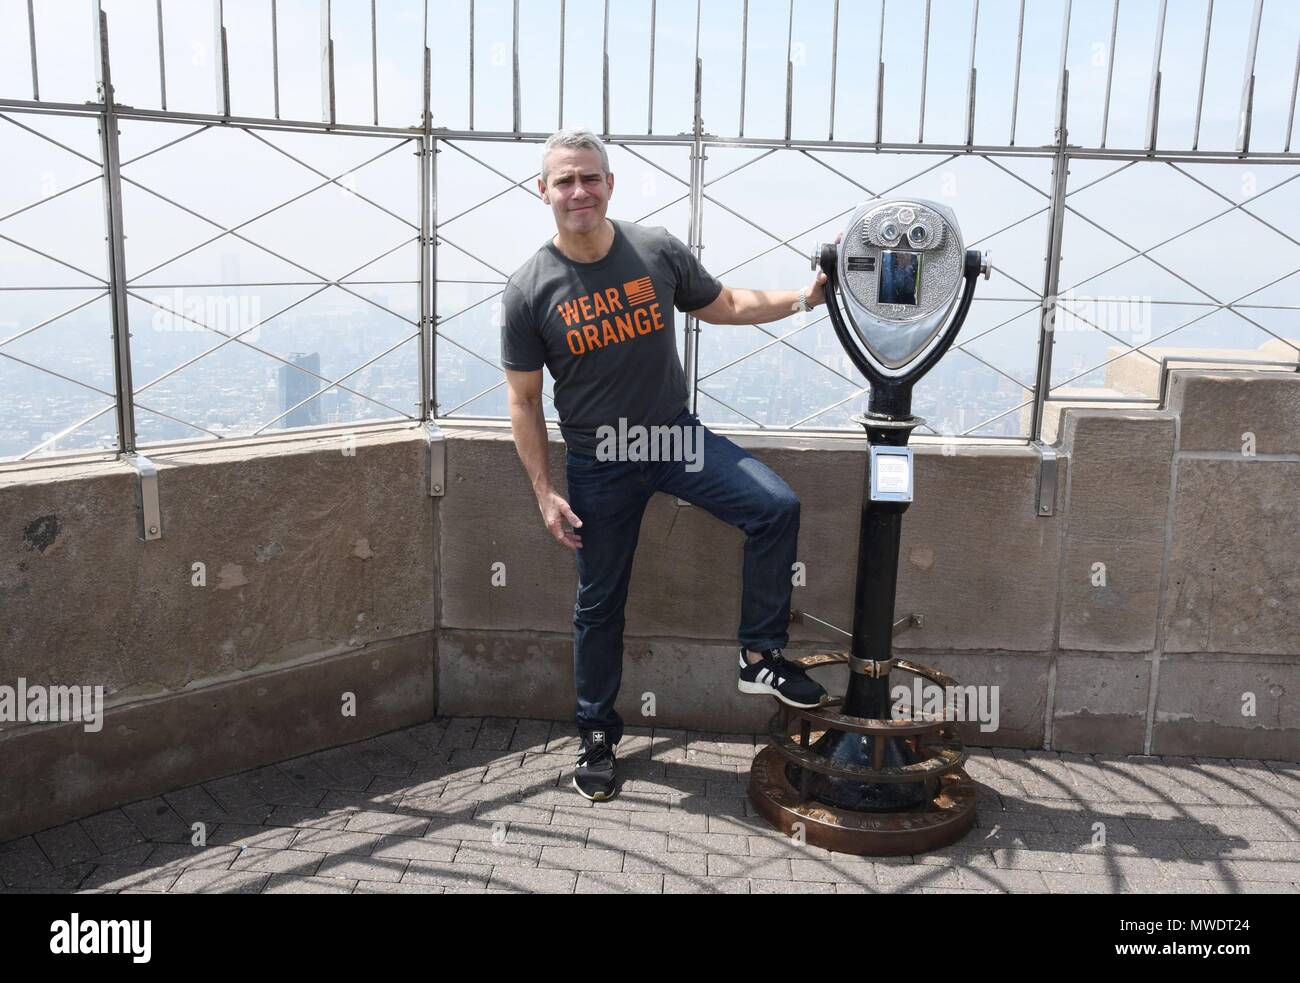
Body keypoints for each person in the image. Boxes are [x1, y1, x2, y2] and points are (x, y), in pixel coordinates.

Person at [501, 126, 831, 802]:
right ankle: (596, 732)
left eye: (590, 177)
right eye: (564, 180)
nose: (579, 190)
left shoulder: (655, 250)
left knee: (775, 506)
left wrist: (805, 299)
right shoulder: (529, 289)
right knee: (600, 604)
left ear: (609, 185)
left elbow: (727, 304)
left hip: (671, 437)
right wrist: (544, 491)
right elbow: (524, 401)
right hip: (599, 460)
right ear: (543, 192)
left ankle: (760, 655)